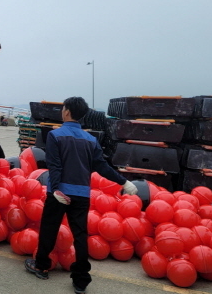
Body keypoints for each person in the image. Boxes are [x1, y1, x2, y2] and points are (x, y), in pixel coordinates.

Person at [24, 97, 137, 294]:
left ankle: (41, 266)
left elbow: (54, 165)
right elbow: (101, 166)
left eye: (63, 108)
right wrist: (123, 181)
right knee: (80, 235)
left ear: (66, 112)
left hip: (59, 193)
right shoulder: (91, 140)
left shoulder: (55, 135)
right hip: (81, 194)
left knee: (49, 228)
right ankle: (81, 280)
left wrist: (57, 189)